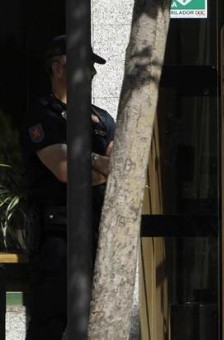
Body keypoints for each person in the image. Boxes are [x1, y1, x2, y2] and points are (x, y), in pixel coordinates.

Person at [21, 35, 115, 339]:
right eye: (84, 66)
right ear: (58, 68)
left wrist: (89, 164)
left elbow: (119, 171)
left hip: (97, 236)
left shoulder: (102, 119)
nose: (91, 74)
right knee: (50, 324)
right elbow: (65, 171)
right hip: (57, 239)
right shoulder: (42, 114)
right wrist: (98, 165)